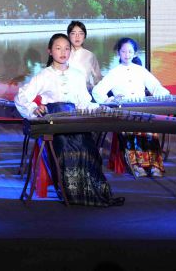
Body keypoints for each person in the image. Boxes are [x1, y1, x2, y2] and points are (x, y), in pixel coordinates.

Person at [15, 33, 122, 207]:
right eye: (58, 48)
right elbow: (21, 97)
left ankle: (94, 193)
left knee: (89, 150)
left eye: (66, 48)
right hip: (55, 122)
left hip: (75, 120)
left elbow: (83, 102)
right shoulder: (44, 75)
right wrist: (34, 109)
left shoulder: (77, 74)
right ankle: (72, 194)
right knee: (66, 152)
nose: (63, 52)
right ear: (50, 51)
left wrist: (101, 108)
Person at [92, 37, 170, 178]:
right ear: (118, 53)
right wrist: (110, 100)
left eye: (130, 51)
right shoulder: (114, 73)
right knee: (131, 130)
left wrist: (164, 95)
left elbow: (155, 86)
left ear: (135, 53)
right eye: (123, 51)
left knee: (150, 130)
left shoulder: (140, 70)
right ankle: (137, 165)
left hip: (142, 108)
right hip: (124, 110)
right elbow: (97, 91)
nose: (127, 55)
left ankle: (153, 165)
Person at [67, 20, 103, 89]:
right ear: (68, 36)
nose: (77, 37)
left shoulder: (90, 56)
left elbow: (98, 79)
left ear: (85, 36)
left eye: (81, 33)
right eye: (73, 33)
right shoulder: (63, 54)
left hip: (85, 91)